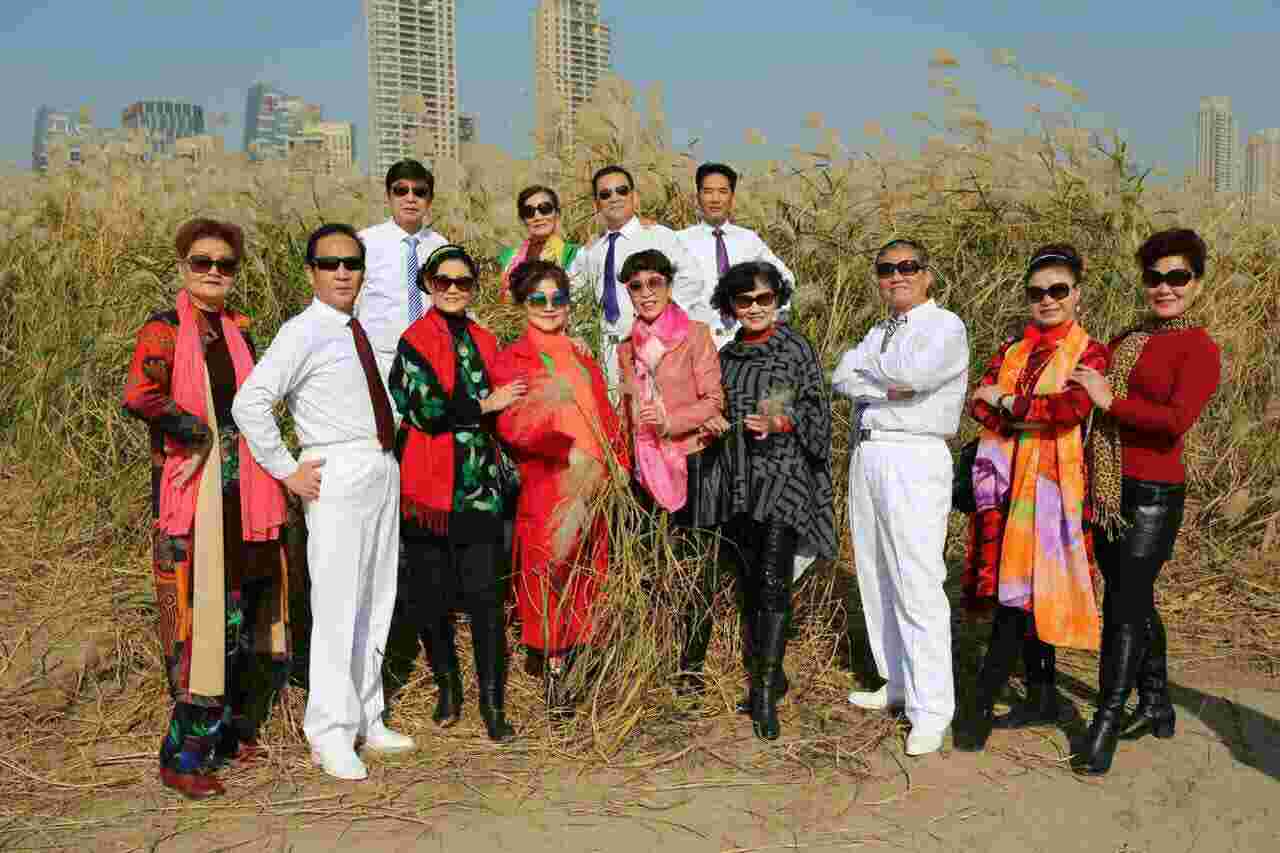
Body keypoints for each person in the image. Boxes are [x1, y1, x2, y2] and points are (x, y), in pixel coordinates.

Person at [233, 224, 413, 781]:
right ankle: (330, 734)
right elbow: (250, 403)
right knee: (337, 606)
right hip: (336, 472)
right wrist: (287, 469)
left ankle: (367, 716)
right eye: (330, 263)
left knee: (377, 598)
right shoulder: (303, 331)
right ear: (311, 271)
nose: (342, 273)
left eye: (352, 264)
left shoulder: (359, 329)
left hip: (380, 466)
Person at [123, 218, 290, 799]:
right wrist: (197, 432)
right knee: (200, 629)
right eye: (202, 262)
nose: (214, 272)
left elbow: (257, 401)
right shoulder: (165, 330)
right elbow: (140, 394)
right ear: (183, 267)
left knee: (237, 618)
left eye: (225, 264)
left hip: (244, 497)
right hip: (193, 499)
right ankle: (182, 757)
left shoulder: (240, 329)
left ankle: (222, 734)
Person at [1070, 228, 1221, 775]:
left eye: (1177, 277)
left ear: (1196, 282)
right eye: (1155, 277)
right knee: (1132, 597)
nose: (1165, 287)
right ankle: (1156, 702)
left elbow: (1174, 422)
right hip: (1110, 488)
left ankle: (1105, 721)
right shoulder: (1128, 338)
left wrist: (1110, 399)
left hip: (1154, 495)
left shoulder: (1199, 348)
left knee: (1123, 606)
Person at [960, 244, 1110, 750]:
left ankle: (980, 706)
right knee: (1024, 590)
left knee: (1019, 594)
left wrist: (1006, 401)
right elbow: (977, 406)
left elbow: (1068, 410)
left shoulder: (1091, 353)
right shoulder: (1013, 350)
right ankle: (1041, 694)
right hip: (1005, 486)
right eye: (1037, 292)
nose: (1047, 299)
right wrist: (1022, 410)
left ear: (1077, 294)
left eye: (1058, 290)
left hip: (1050, 489)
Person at [834, 239, 969, 757]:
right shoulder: (880, 330)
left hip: (914, 453)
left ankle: (931, 709)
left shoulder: (945, 326)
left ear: (927, 274)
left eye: (908, 266)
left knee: (916, 580)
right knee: (875, 572)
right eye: (886, 269)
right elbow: (843, 375)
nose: (897, 276)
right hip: (869, 452)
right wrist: (881, 384)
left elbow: (915, 378)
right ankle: (896, 681)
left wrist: (872, 379)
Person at [389, 245, 526, 742]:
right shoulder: (413, 340)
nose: (452, 288)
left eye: (462, 281)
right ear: (428, 284)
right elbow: (424, 410)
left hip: (479, 489)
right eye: (443, 280)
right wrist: (485, 404)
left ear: (472, 287)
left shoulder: (486, 340)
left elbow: (514, 398)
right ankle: (448, 688)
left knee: (487, 598)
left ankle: (493, 703)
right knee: (431, 597)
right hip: (428, 490)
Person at [697, 261, 837, 740]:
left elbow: (818, 412)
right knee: (751, 583)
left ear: (778, 300)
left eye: (764, 298)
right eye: (744, 300)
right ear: (730, 306)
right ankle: (771, 676)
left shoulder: (795, 347)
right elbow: (712, 406)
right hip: (740, 480)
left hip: (784, 479)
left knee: (775, 580)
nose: (755, 307)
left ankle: (762, 696)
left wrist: (783, 421)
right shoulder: (726, 356)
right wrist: (710, 421)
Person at [490, 260, 629, 714]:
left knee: (589, 570)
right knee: (549, 573)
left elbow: (604, 412)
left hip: (596, 480)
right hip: (550, 479)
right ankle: (555, 673)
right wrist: (566, 450)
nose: (549, 307)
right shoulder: (512, 359)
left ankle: (581, 666)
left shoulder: (582, 354)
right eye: (538, 299)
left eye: (558, 298)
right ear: (521, 305)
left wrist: (617, 460)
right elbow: (513, 426)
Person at [614, 249, 726, 695]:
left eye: (654, 283)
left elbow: (713, 401)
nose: (646, 293)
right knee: (653, 566)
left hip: (691, 462)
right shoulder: (626, 348)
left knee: (696, 566)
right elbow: (626, 408)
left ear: (668, 285)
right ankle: (658, 653)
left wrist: (670, 422)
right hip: (645, 470)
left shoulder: (695, 335)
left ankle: (691, 666)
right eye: (636, 286)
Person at [567, 165, 707, 384]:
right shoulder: (590, 251)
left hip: (656, 346)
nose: (614, 198)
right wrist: (579, 333)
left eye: (621, 191)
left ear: (634, 196)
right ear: (596, 204)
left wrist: (660, 322)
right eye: (605, 194)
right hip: (606, 351)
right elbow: (572, 294)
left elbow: (692, 280)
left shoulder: (658, 236)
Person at [676, 163, 797, 349]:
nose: (715, 199)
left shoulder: (748, 239)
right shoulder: (678, 240)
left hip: (745, 341)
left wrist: (771, 318)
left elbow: (785, 278)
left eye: (722, 191)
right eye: (708, 191)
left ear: (732, 197)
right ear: (698, 196)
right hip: (696, 342)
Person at [357, 160, 450, 382]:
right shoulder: (365, 242)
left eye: (419, 192)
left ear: (430, 200)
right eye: (401, 190)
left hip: (429, 359)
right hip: (379, 360)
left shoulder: (440, 245)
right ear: (388, 196)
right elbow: (350, 302)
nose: (410, 198)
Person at [498, 185, 580, 300]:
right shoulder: (508, 258)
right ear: (522, 219)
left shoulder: (575, 253)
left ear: (557, 213)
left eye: (545, 209)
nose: (537, 217)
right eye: (529, 211)